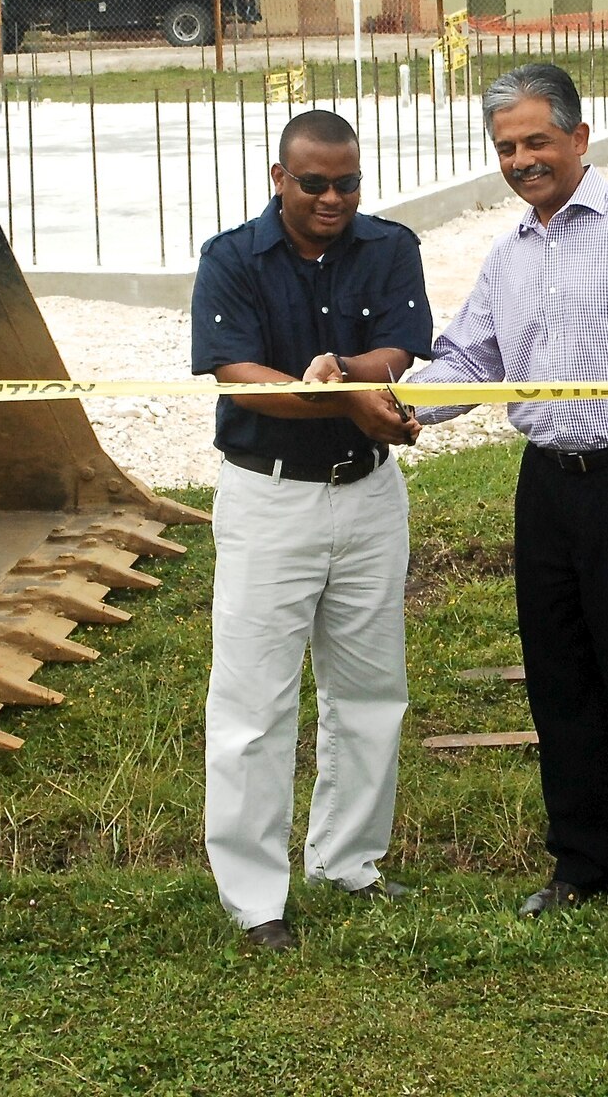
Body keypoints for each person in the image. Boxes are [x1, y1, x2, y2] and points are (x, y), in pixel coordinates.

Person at [410, 62, 608, 937]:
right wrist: (398, 408)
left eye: (536, 141)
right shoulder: (508, 252)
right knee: (562, 684)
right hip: (547, 491)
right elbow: (469, 360)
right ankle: (581, 863)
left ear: (578, 138)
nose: (522, 160)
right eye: (507, 147)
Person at [189, 108, 431, 952]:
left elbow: (403, 345)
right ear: (278, 178)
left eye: (349, 182)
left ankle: (349, 862)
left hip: (367, 496)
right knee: (254, 705)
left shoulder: (390, 246)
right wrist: (326, 390)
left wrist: (348, 375)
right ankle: (255, 899)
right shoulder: (229, 259)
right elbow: (237, 376)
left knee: (370, 692)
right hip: (270, 498)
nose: (334, 198)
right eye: (315, 183)